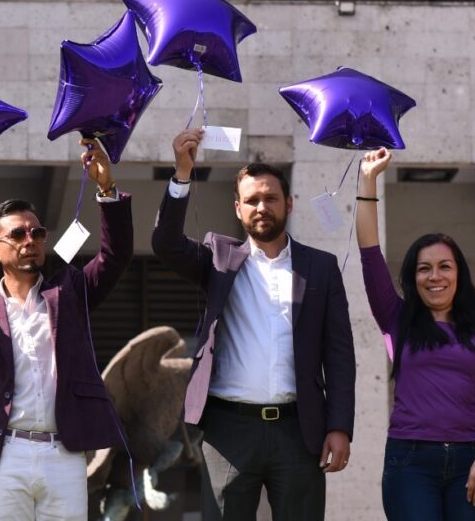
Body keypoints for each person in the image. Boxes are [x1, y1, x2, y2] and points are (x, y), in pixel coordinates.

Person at [150, 128, 356, 521]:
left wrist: (340, 427)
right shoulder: (218, 257)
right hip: (229, 430)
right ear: (238, 209)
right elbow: (165, 243)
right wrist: (181, 173)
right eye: (252, 200)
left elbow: (340, 355)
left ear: (289, 204)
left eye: (270, 198)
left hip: (300, 431)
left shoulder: (321, 267)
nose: (262, 207)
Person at [0, 139, 133, 521]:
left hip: (63, 453)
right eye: (17, 235)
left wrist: (106, 189)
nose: (30, 241)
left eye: (37, 233)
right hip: (4, 453)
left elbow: (114, 258)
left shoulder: (69, 293)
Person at [355, 148, 475, 520]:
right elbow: (369, 252)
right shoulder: (397, 318)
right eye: (424, 269)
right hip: (410, 462)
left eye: (444, 266)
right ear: (413, 277)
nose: (435, 276)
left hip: (473, 461)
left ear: (460, 273)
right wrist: (368, 179)